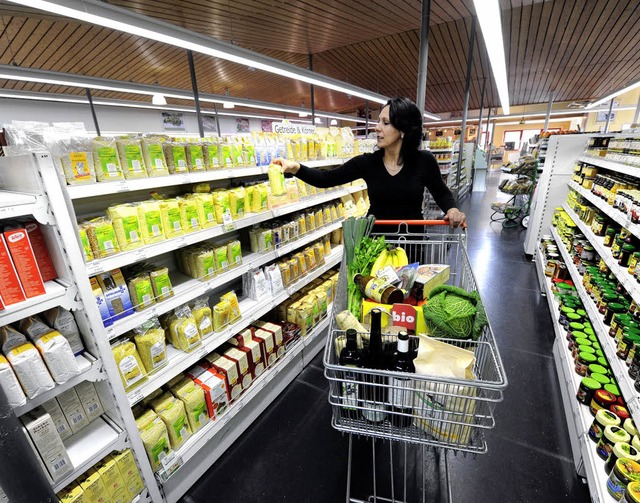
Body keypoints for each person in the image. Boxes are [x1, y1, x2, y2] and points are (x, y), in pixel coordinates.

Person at [272, 97, 467, 228]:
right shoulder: (368, 163)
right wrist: (294, 167)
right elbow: (326, 179)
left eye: (385, 122)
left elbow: (441, 192)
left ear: (403, 130)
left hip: (411, 240)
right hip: (376, 242)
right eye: (378, 121)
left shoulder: (424, 161)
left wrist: (452, 209)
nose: (377, 128)